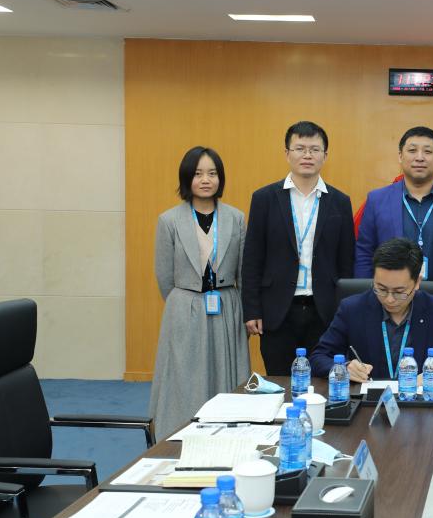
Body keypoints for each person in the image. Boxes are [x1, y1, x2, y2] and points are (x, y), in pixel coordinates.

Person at [149, 146, 250, 439]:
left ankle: (229, 434)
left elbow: (243, 271)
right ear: (187, 178)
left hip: (226, 305)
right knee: (184, 376)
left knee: (225, 374)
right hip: (185, 307)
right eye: (198, 174)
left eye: (212, 173)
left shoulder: (236, 218)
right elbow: (164, 276)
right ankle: (180, 435)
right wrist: (184, 304)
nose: (206, 180)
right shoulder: (169, 220)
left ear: (220, 178)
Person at [241, 121, 355, 376]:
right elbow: (252, 259)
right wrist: (252, 310)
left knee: (324, 379)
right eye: (300, 148)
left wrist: (345, 312)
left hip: (324, 310)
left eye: (314, 149)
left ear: (325, 155)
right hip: (277, 310)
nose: (307, 155)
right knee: (280, 380)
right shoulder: (264, 199)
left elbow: (346, 262)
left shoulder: (340, 202)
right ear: (287, 153)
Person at [354, 126, 433, 335]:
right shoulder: (376, 200)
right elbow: (364, 255)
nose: (420, 157)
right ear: (400, 156)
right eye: (412, 150)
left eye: (427, 151)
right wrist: (365, 303)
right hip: (389, 303)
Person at [311, 238, 433, 382]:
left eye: (399, 292)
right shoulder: (352, 309)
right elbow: (318, 358)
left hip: (419, 402)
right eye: (381, 289)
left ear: (417, 282)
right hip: (367, 403)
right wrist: (345, 367)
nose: (389, 299)